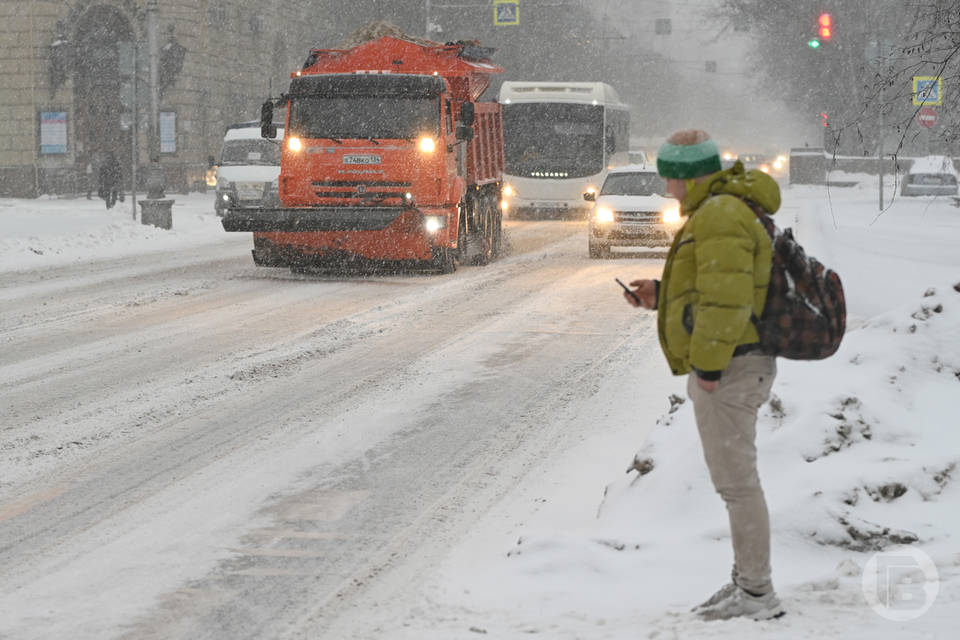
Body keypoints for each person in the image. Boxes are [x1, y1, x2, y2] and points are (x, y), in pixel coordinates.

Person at [623, 129, 784, 621]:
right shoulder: (722, 210)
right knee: (736, 483)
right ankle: (746, 581)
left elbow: (727, 301)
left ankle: (756, 594)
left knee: (738, 485)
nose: (667, 189)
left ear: (689, 176)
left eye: (670, 178)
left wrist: (710, 368)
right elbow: (712, 285)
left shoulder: (719, 215)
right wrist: (660, 292)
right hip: (735, 362)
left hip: (733, 367)